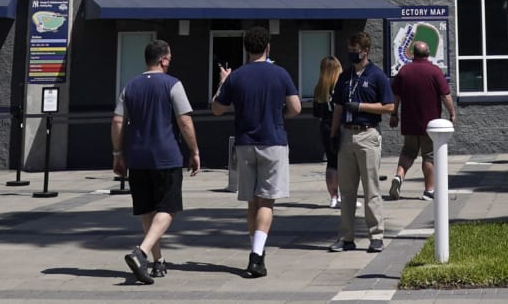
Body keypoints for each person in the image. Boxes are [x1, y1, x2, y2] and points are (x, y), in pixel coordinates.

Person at [212, 27, 302, 280]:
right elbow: (295, 107)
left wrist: (222, 82)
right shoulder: (280, 73)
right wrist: (278, 115)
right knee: (267, 201)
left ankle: (256, 252)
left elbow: (217, 109)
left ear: (246, 49)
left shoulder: (237, 77)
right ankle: (256, 257)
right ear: (268, 47)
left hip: (244, 143)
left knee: (252, 202)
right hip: (273, 141)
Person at [112, 39, 200, 284]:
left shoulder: (129, 86)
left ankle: (157, 261)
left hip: (137, 157)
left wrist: (118, 154)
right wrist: (194, 151)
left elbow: (118, 121)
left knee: (148, 210)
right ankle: (141, 252)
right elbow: (184, 121)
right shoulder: (173, 85)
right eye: (169, 59)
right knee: (168, 208)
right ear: (163, 60)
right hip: (166, 156)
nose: (169, 63)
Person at [331, 31, 394, 253]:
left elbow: (389, 106)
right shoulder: (345, 77)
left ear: (365, 51)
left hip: (368, 133)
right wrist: (333, 134)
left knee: (371, 189)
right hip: (346, 134)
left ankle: (376, 236)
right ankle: (346, 237)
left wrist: (361, 107)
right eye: (349, 52)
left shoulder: (377, 76)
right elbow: (338, 106)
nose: (352, 56)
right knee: (347, 191)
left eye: (355, 52)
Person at [387, 38, 454, 201]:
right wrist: (452, 113)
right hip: (430, 124)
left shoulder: (404, 71)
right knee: (429, 156)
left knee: (408, 152)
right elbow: (445, 95)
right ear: (428, 54)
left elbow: (395, 95)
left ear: (412, 54)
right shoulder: (435, 71)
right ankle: (429, 190)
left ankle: (399, 176)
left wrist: (394, 114)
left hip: (409, 123)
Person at [310, 54, 343, 208]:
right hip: (341, 127)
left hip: (325, 126)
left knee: (331, 162)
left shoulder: (319, 88)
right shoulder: (341, 87)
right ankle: (343, 195)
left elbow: (316, 113)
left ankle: (333, 197)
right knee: (344, 162)